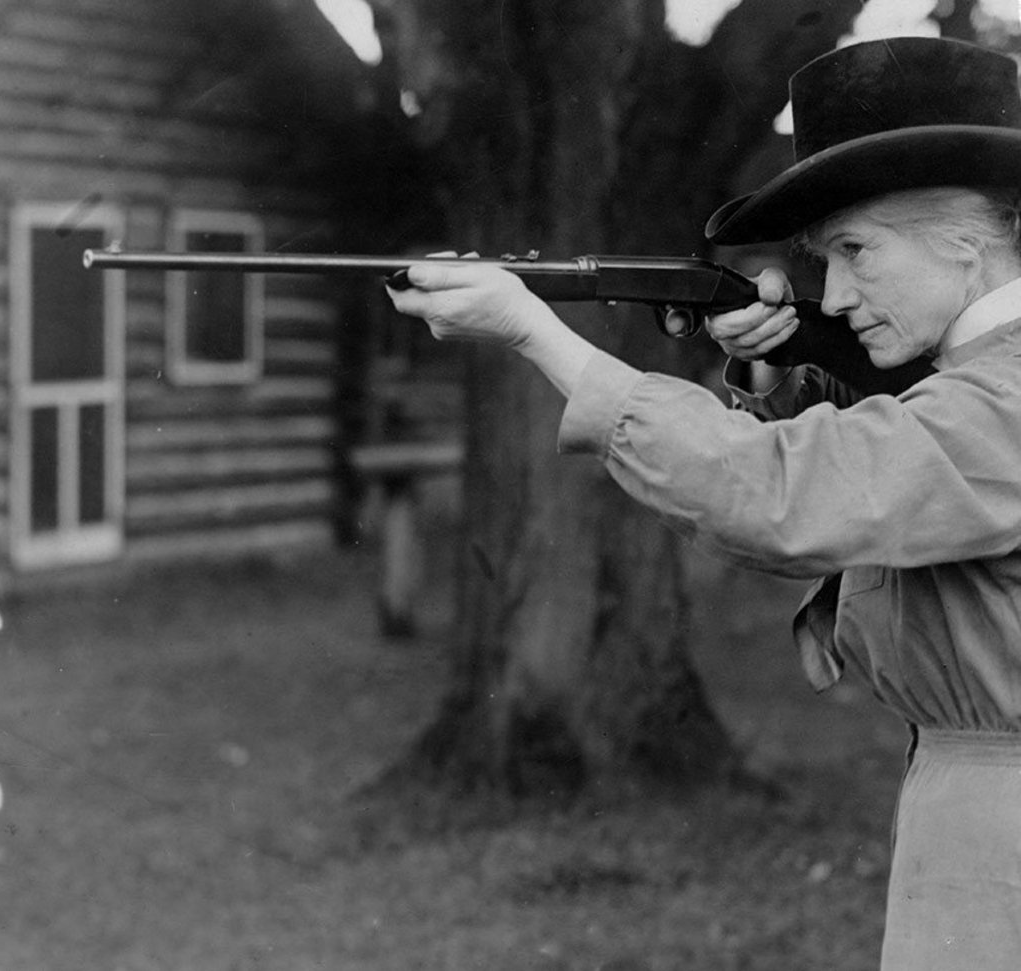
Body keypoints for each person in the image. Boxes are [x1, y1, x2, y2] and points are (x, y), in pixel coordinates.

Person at [386, 35, 1021, 971]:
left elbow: (787, 493)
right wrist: (774, 364)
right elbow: (901, 458)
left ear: (965, 240)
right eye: (822, 261)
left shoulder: (1002, 394)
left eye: (854, 250)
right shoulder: (977, 379)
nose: (834, 294)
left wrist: (538, 335)